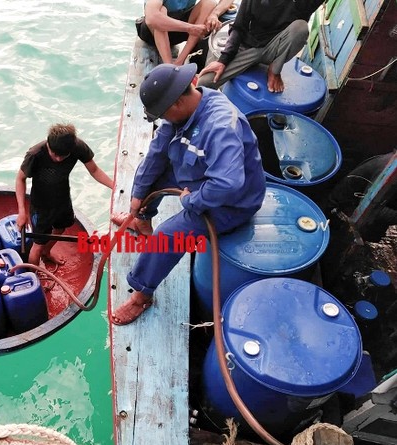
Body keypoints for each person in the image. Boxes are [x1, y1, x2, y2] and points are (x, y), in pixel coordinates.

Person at [110, 63, 266, 325]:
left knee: (168, 235)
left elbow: (228, 184)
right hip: (198, 175)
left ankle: (142, 296)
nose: (162, 120)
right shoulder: (184, 112)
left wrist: (191, 200)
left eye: (162, 114)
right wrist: (139, 196)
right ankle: (142, 221)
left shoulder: (221, 125)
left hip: (230, 203)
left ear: (175, 105)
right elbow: (157, 153)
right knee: (151, 180)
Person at [15, 123, 114, 267]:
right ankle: (33, 279)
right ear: (48, 144)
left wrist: (114, 186)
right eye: (54, 154)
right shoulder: (35, 154)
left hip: (62, 198)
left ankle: (47, 253)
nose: (59, 159)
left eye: (64, 156)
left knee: (61, 228)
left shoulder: (77, 147)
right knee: (38, 244)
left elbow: (94, 170)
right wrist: (22, 212)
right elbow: (20, 179)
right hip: (40, 205)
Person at [197, 0, 323, 93]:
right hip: (248, 47)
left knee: (301, 28)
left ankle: (274, 71)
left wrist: (276, 69)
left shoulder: (304, 4)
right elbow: (239, 27)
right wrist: (223, 60)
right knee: (204, 82)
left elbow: (298, 32)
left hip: (275, 48)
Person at [143, 0, 233, 66]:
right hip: (153, 33)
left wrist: (214, 14)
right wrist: (190, 28)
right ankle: (169, 65)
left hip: (180, 29)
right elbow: (151, 19)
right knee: (161, 12)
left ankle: (180, 61)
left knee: (209, 3)